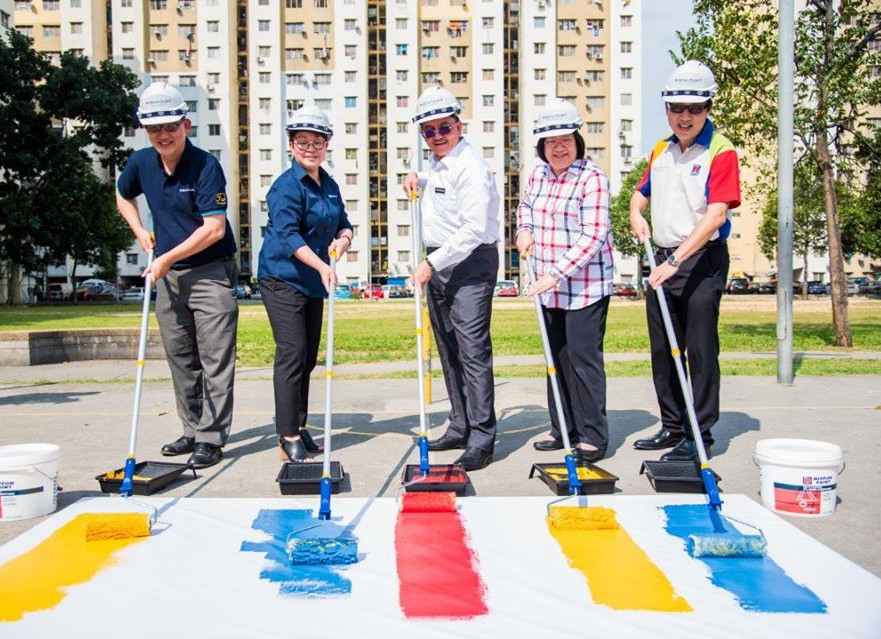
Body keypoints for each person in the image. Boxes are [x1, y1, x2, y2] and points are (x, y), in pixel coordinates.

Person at [116, 82, 238, 469]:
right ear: (146, 131)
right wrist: (140, 232)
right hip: (167, 274)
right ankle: (191, 429)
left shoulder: (206, 166)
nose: (163, 135)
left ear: (186, 124)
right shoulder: (140, 163)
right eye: (154, 129)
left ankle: (211, 437)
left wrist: (166, 257)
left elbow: (214, 228)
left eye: (170, 126)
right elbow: (123, 194)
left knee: (215, 357)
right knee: (180, 357)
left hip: (210, 272)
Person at [629, 60, 741, 462]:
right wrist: (635, 213)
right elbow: (641, 193)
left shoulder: (720, 151)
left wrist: (676, 259)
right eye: (677, 107)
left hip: (700, 262)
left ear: (708, 107)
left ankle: (700, 433)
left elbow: (716, 215)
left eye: (694, 108)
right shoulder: (661, 148)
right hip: (662, 260)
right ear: (667, 108)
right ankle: (673, 425)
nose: (685, 116)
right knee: (665, 350)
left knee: (699, 348)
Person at [403, 86, 501, 472]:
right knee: (448, 348)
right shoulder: (442, 163)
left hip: (470, 264)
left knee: (473, 352)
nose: (437, 135)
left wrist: (431, 263)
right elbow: (442, 187)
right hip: (442, 263)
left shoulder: (471, 167)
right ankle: (460, 424)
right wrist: (419, 178)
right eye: (429, 130)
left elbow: (474, 229)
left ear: (459, 125)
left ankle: (482, 436)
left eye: (444, 127)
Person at [516, 99, 615, 463]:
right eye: (550, 142)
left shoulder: (593, 179)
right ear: (541, 146)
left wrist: (556, 273)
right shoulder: (537, 175)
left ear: (577, 140)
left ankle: (593, 434)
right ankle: (562, 428)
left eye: (565, 140)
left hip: (585, 286)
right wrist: (523, 231)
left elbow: (593, 236)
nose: (558, 148)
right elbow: (524, 208)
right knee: (555, 358)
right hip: (547, 288)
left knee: (582, 359)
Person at [257, 104, 353, 463]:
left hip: (313, 280)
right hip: (282, 278)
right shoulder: (285, 187)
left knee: (308, 358)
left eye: (317, 141)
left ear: (327, 143)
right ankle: (288, 435)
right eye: (302, 141)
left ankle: (299, 423)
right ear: (291, 144)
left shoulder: (328, 185)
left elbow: (345, 224)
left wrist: (342, 243)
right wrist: (321, 266)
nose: (310, 148)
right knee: (292, 354)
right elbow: (287, 236)